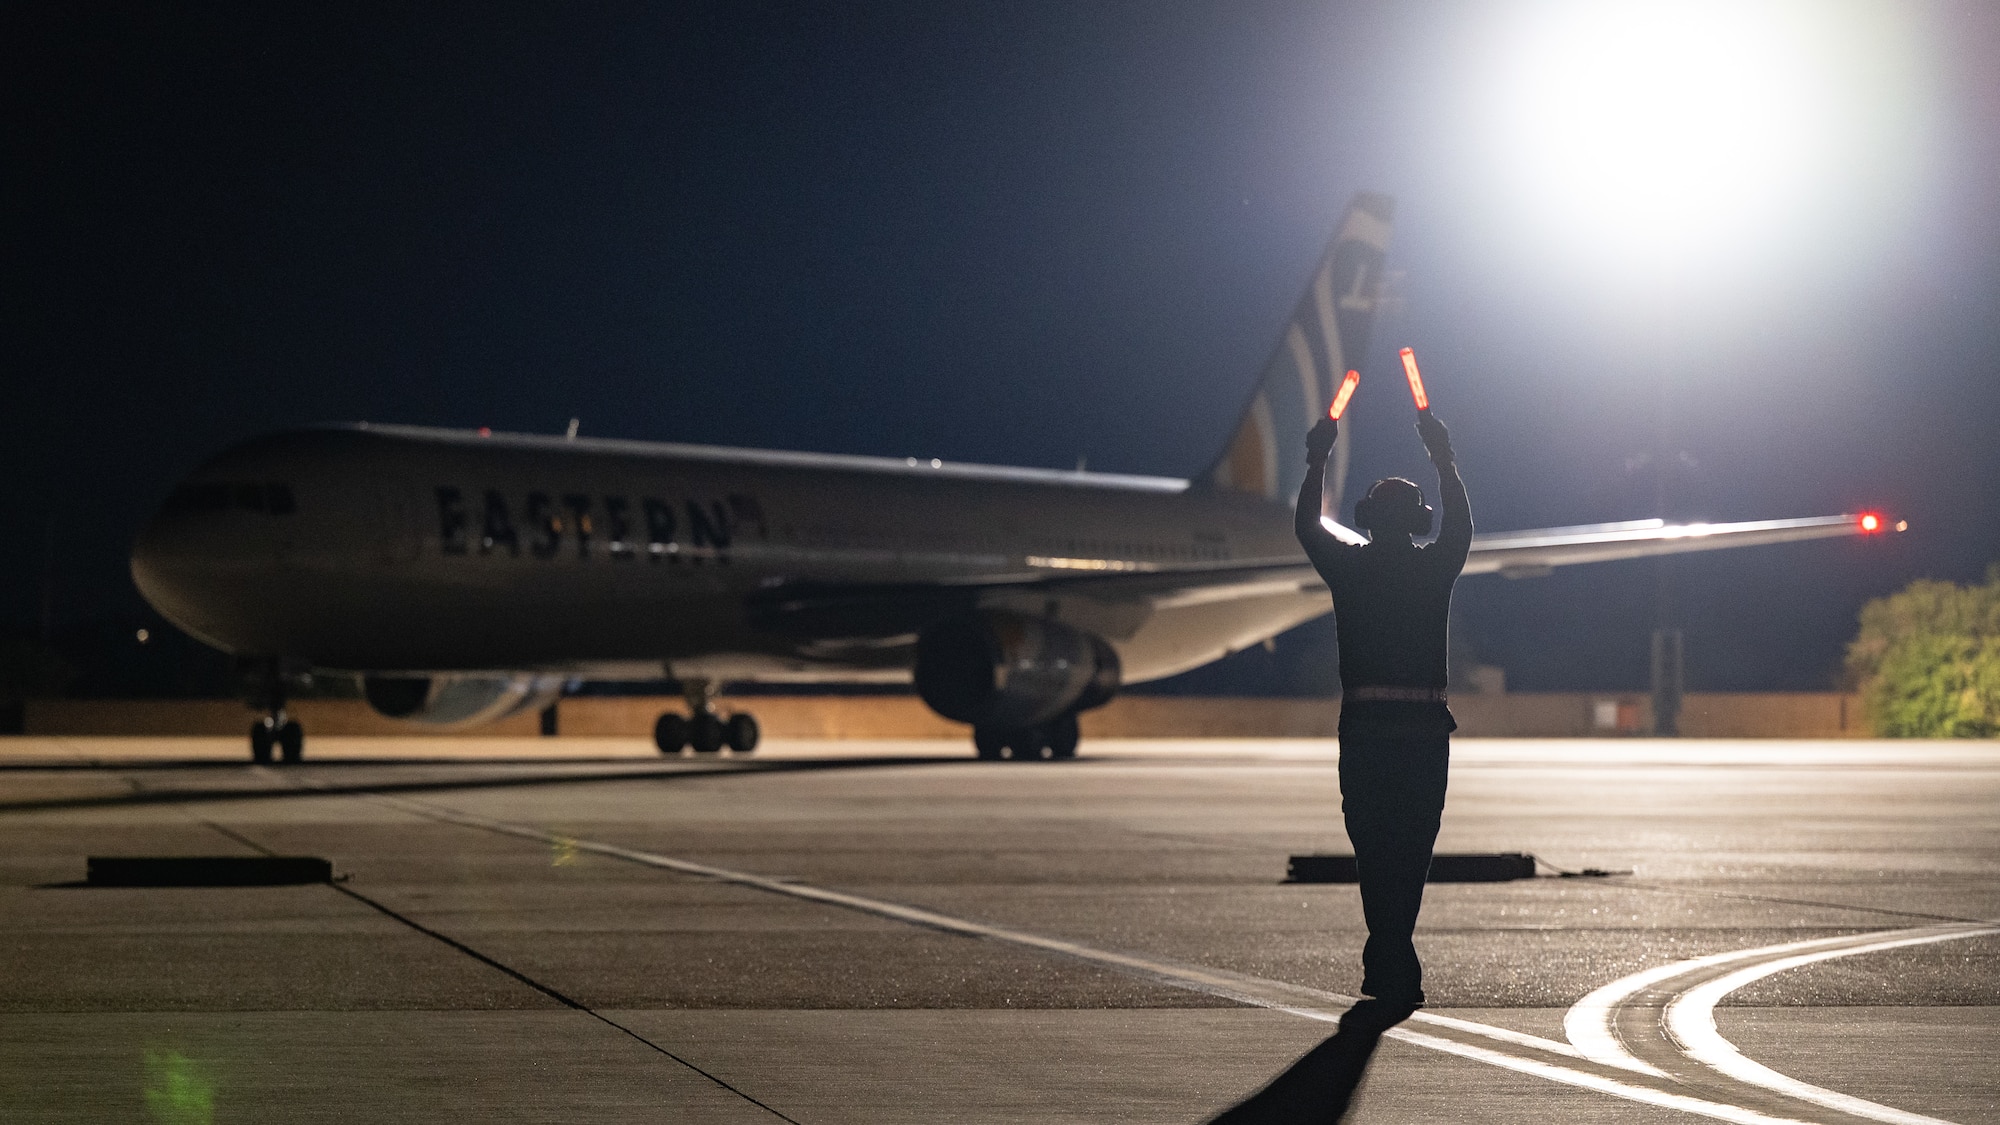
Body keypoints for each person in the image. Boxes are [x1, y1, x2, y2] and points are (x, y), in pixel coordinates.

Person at [1295, 408, 1471, 1017]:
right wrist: (1443, 457)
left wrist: (1317, 457)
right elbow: (1461, 529)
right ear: (1418, 520)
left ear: (1366, 520)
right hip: (1424, 736)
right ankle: (1395, 956)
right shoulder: (1435, 570)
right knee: (1412, 850)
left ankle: (1389, 956)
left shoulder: (1349, 570)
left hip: (1365, 735)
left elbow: (1308, 527)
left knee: (1374, 848)